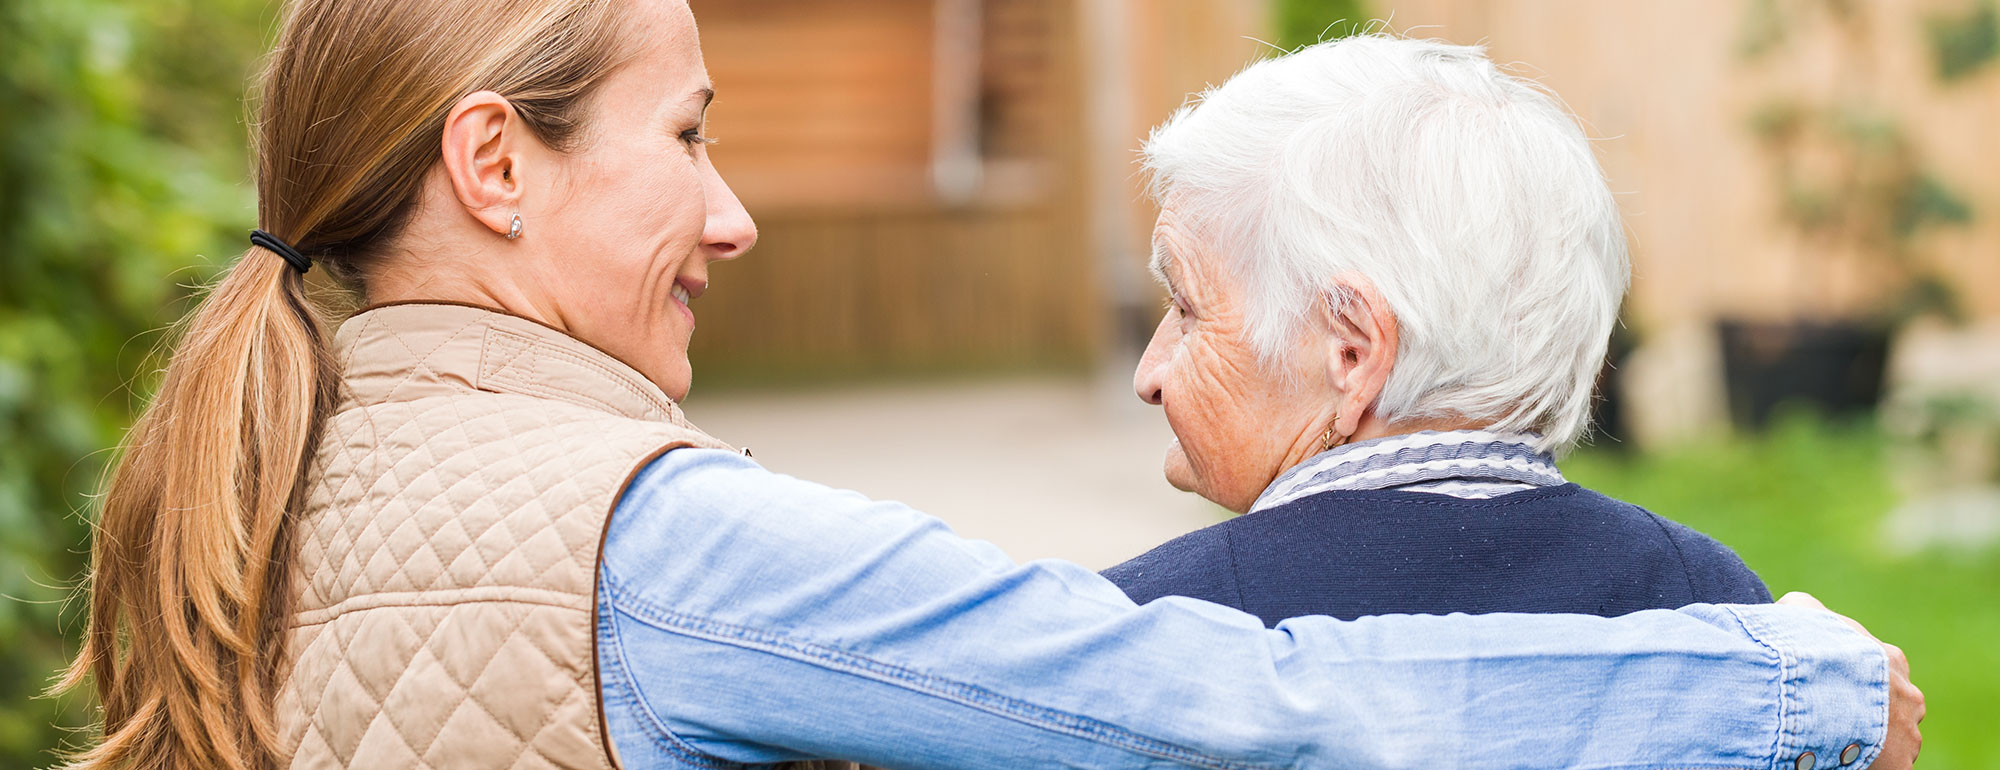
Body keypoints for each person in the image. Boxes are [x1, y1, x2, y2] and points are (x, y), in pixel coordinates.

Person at [60, 1, 1921, 769]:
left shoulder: (279, 477)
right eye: (690, 136)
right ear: (494, 167)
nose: (730, 217)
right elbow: (1227, 716)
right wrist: (1792, 684)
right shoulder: (646, 550)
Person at [1103, 35, 1769, 625]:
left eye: (1188, 310)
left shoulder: (1150, 637)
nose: (1149, 374)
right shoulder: (1714, 604)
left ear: (1353, 349)